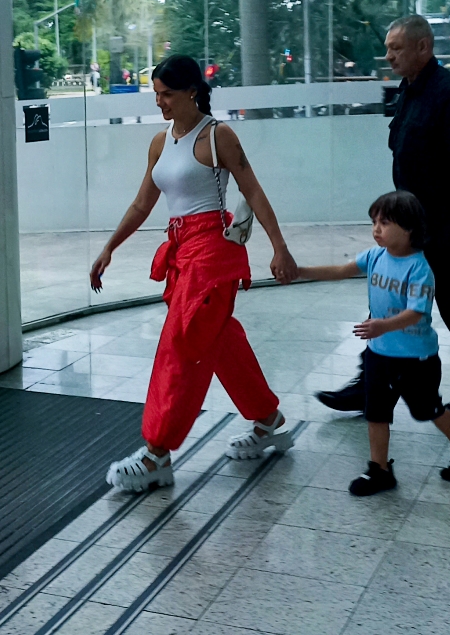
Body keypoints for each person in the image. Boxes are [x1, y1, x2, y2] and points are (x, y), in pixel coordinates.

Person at [90, 55, 298, 492]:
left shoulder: (218, 136)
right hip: (182, 249)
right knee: (218, 339)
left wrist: (280, 247)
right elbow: (142, 203)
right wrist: (110, 245)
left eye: (166, 93)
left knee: (182, 343)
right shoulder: (159, 142)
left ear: (191, 91)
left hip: (212, 252)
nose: (160, 102)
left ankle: (156, 454)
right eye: (156, 94)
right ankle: (269, 420)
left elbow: (252, 190)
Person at [318, 15, 450, 422]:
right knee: (388, 300)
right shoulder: (409, 91)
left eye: (397, 48)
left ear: (424, 47)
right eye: (388, 48)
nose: (388, 56)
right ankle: (369, 385)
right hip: (412, 226)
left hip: (448, 224)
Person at [300, 190, 450, 496]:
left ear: (409, 228)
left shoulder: (420, 269)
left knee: (430, 410)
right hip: (379, 354)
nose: (376, 229)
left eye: (384, 222)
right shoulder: (375, 257)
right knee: (376, 411)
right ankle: (380, 470)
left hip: (417, 359)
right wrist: (300, 272)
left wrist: (382, 325)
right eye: (374, 221)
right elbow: (340, 271)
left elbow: (416, 313)